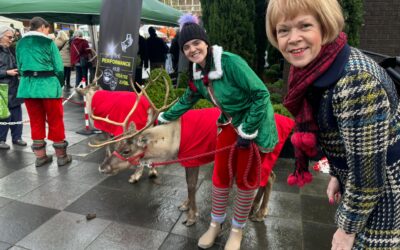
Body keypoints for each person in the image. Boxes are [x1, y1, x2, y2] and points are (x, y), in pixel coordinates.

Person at [266, 0, 400, 249]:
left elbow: (368, 180)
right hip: (366, 189)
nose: (293, 38)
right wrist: (338, 174)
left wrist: (346, 229)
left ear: (325, 26)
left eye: (304, 25)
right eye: (283, 30)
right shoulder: (316, 68)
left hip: (385, 203)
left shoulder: (355, 82)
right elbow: (353, 145)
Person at [158, 14, 277, 250]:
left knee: (245, 179)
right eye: (187, 47)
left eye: (196, 43)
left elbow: (261, 94)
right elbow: (188, 98)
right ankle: (215, 224)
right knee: (220, 175)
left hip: (254, 125)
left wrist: (248, 130)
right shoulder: (197, 73)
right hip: (229, 124)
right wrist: (163, 118)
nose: (193, 50)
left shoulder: (230, 63)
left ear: (206, 42)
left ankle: (236, 230)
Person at [16, 16, 72, 167]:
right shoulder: (48, 42)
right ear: (42, 27)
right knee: (55, 119)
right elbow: (59, 68)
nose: (48, 32)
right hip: (48, 86)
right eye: (47, 29)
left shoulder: (20, 43)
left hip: (28, 87)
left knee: (35, 120)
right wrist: (58, 84)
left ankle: (40, 157)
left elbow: (20, 66)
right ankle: (61, 157)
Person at [0, 25, 26, 149]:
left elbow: (14, 64)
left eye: (12, 37)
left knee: (17, 114)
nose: (11, 40)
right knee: (3, 115)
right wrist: (6, 73)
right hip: (2, 89)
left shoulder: (9, 49)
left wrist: (19, 70)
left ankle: (17, 137)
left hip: (14, 87)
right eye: (9, 37)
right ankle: (1, 140)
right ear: (1, 36)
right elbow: (5, 70)